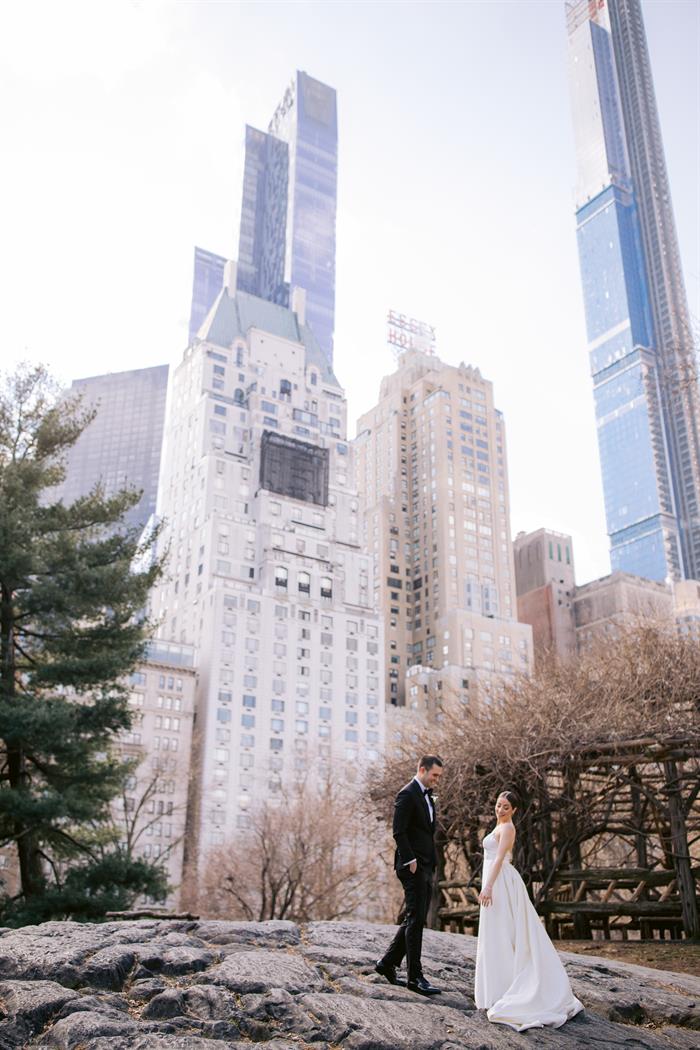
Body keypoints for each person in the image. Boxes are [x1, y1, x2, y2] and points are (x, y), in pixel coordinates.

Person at [474, 790, 584, 1031]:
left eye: (505, 807)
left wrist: (489, 886)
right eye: (498, 805)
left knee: (505, 931)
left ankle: (511, 986)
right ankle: (497, 987)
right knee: (496, 932)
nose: (500, 810)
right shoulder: (497, 826)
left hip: (501, 882)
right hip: (493, 880)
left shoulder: (508, 829)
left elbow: (500, 859)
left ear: (514, 810)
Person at [375, 755, 444, 996]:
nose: (437, 780)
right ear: (422, 769)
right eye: (434, 775)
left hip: (426, 864)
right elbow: (398, 831)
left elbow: (426, 830)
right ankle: (415, 977)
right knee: (416, 919)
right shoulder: (407, 794)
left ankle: (387, 964)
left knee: (414, 917)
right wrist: (411, 860)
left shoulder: (427, 794)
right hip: (411, 866)